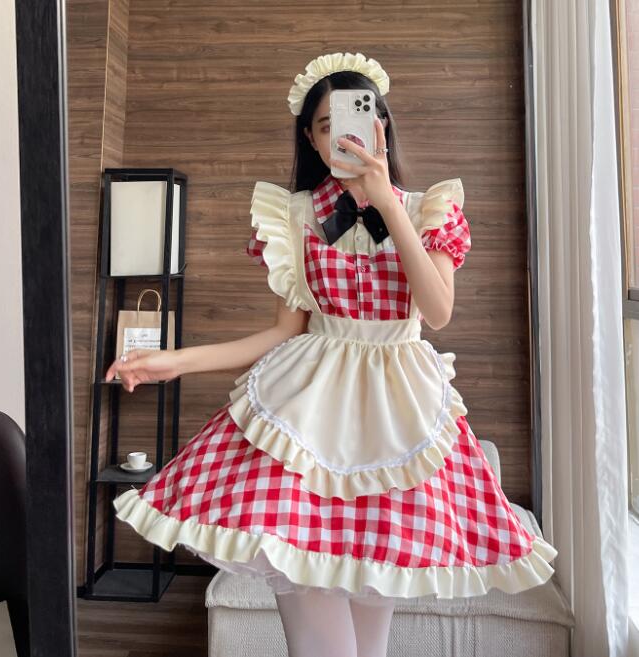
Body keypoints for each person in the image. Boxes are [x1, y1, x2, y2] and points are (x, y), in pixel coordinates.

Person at [107, 52, 558, 657]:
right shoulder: (293, 216)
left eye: (357, 119)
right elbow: (281, 334)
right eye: (325, 125)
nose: (341, 136)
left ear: (382, 126)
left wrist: (387, 201)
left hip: (398, 428)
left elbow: (437, 311)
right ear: (311, 139)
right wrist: (174, 360)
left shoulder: (429, 209)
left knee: (369, 646)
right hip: (306, 418)